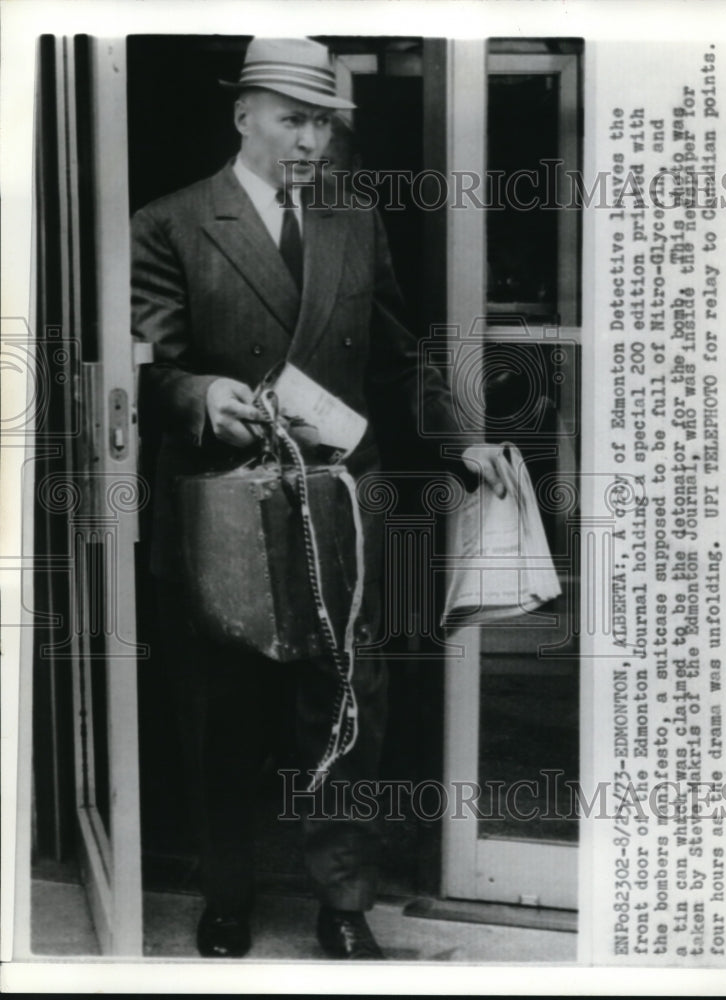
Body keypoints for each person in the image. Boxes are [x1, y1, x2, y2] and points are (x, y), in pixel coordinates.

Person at [131, 36, 506, 960]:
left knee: (346, 702)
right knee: (222, 705)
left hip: (341, 499)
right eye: (292, 119)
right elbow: (144, 372)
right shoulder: (170, 224)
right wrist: (197, 398)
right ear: (243, 114)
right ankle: (228, 893)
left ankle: (345, 901)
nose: (310, 142)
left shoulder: (351, 215)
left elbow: (391, 349)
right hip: (225, 501)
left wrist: (462, 434)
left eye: (322, 124)